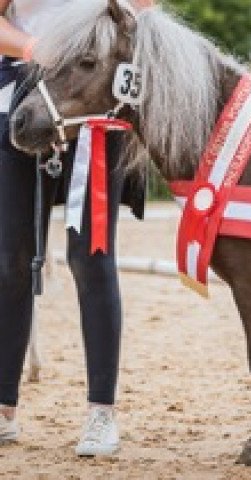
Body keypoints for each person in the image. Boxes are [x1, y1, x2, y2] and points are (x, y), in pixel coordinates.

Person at [0, 0, 152, 456]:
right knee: (9, 263)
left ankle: (100, 412)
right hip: (24, 95)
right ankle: (3, 408)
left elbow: (144, 17)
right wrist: (36, 48)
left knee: (92, 259)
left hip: (94, 100)